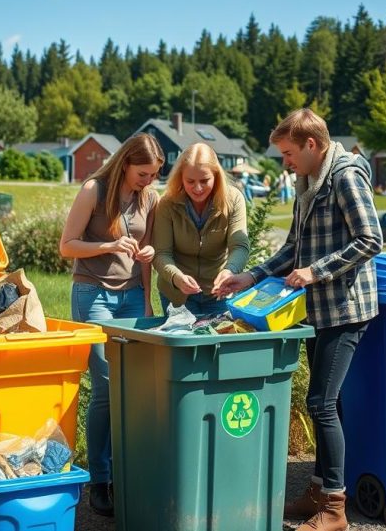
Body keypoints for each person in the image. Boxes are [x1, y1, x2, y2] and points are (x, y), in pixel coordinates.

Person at [222, 109, 383, 531]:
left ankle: (334, 509)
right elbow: (294, 247)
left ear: (312, 145)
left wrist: (316, 271)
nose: (285, 162)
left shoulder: (345, 176)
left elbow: (371, 240)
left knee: (321, 403)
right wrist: (250, 276)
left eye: (289, 153)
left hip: (346, 308)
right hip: (319, 310)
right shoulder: (306, 181)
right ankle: (318, 489)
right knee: (329, 403)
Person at [58, 132, 164, 517]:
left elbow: (146, 252)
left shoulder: (149, 198)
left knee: (132, 385)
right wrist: (106, 246)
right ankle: (99, 481)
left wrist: (148, 284)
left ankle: (125, 475)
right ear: (125, 164)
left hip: (133, 296)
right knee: (105, 386)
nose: (149, 181)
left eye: (153, 175)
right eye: (143, 174)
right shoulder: (93, 190)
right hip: (95, 295)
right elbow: (67, 245)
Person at [152, 143, 250, 316]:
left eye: (205, 181)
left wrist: (230, 271)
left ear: (216, 176)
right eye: (190, 181)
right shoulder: (167, 203)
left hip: (219, 293)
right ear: (180, 177)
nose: (197, 188)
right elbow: (161, 253)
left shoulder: (233, 199)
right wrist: (176, 277)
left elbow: (240, 246)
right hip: (178, 294)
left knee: (219, 340)